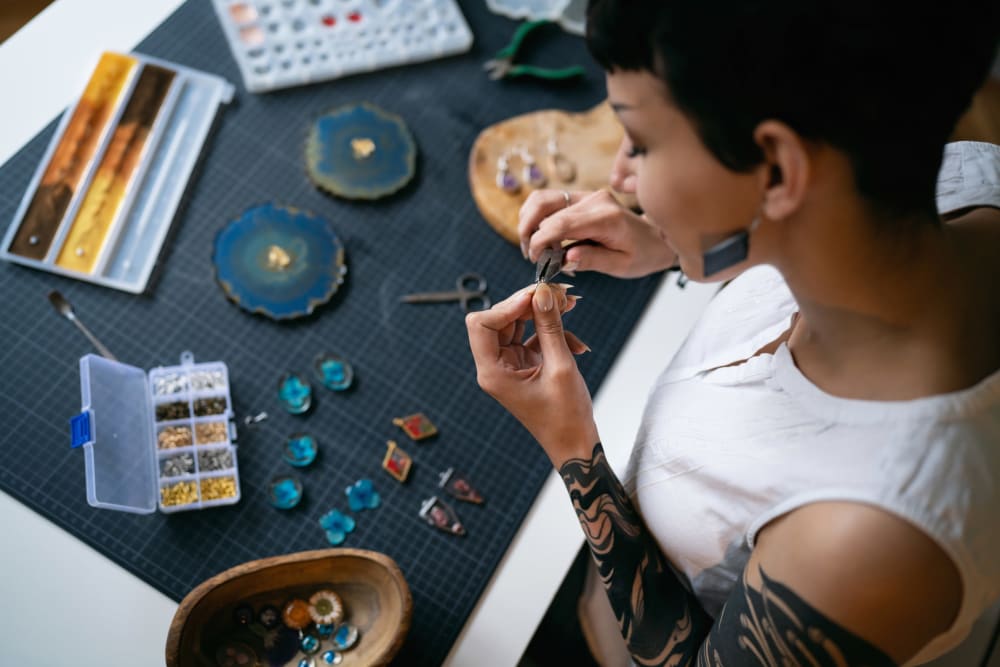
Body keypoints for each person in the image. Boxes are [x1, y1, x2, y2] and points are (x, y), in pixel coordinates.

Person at [465, 1, 1000, 665]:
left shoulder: (870, 536)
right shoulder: (965, 172)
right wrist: (672, 240)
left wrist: (572, 443)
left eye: (642, 143)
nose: (620, 177)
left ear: (775, 169)